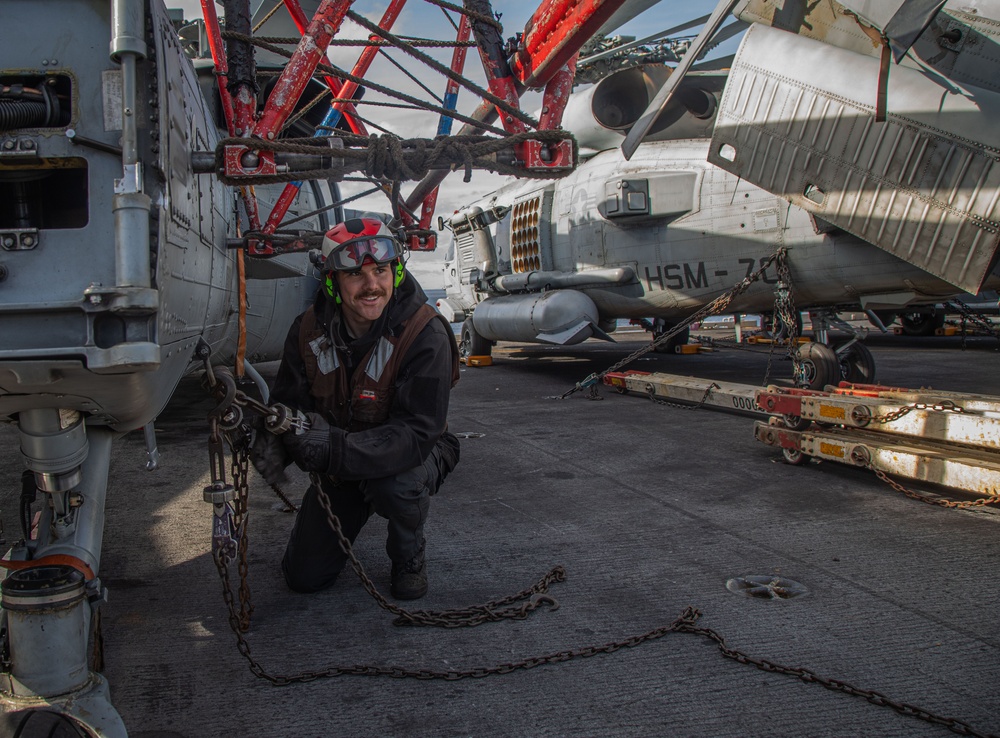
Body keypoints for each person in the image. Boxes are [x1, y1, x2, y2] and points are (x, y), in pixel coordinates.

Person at [251, 217, 460, 600]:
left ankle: (409, 556)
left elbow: (417, 432)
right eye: (354, 274)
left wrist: (332, 449)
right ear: (332, 281)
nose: (371, 285)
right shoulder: (307, 330)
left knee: (397, 486)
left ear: (396, 273)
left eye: (381, 271)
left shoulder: (425, 333)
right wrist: (268, 438)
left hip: (413, 454)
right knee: (304, 577)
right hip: (342, 466)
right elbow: (288, 402)